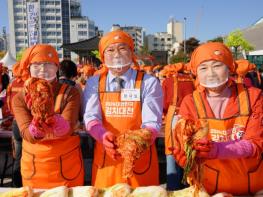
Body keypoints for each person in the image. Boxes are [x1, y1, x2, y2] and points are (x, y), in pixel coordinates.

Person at [172, 42, 263, 195]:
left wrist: (217, 149)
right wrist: (186, 158)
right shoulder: (190, 102)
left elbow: (256, 144)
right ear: (195, 72)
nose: (211, 73)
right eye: (203, 68)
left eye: (217, 65)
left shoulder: (253, 96)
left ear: (229, 67)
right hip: (208, 189)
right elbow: (185, 142)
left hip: (251, 187)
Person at [83, 30, 163, 188]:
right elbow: (91, 117)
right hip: (107, 159)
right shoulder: (94, 83)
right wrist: (102, 135)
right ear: (102, 55)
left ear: (131, 52)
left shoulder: (148, 82)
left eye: (122, 48)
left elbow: (152, 122)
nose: (117, 54)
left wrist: (139, 141)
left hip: (140, 159)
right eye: (110, 50)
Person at [12, 44, 84, 188]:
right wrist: (35, 128)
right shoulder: (20, 98)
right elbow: (26, 133)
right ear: (29, 68)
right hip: (34, 166)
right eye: (37, 64)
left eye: (49, 64)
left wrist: (58, 122)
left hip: (67, 166)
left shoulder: (70, 92)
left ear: (57, 67)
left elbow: (69, 126)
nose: (43, 69)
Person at [162, 63, 194, 190]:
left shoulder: (168, 81)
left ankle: (173, 185)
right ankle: (189, 184)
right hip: (191, 115)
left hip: (174, 114)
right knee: (188, 149)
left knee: (171, 149)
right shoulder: (192, 80)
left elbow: (163, 104)